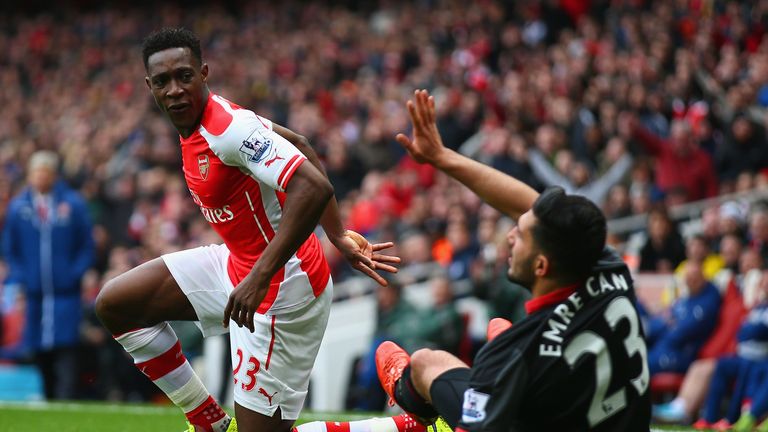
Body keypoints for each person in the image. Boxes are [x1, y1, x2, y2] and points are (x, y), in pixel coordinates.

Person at [94, 28, 399, 432]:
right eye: (163, 81)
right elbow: (302, 144)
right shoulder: (206, 125)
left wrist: (270, 269)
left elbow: (311, 184)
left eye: (184, 76)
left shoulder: (227, 128)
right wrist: (338, 233)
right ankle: (208, 421)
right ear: (149, 86)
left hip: (284, 290)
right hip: (240, 268)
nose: (175, 90)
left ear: (203, 73)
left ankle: (409, 427)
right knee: (117, 304)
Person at [2, 150, 94, 399]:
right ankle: (48, 395)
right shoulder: (19, 207)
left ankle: (66, 397)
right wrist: (21, 277)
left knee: (66, 345)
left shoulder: (72, 204)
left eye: (45, 172)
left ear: (54, 175)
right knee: (37, 346)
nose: (41, 177)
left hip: (65, 292)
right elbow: (10, 248)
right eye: (36, 172)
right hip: (34, 293)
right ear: (30, 175)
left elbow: (86, 245)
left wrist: (74, 274)